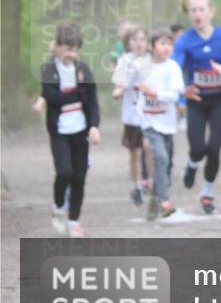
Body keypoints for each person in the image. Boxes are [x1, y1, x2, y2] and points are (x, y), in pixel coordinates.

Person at [172, 0, 221, 214]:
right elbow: (175, 68)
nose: (197, 14)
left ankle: (207, 193)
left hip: (219, 100)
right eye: (193, 10)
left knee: (214, 148)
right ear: (188, 14)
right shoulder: (184, 40)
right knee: (197, 148)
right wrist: (181, 93)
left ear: (211, 12)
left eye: (201, 9)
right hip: (196, 100)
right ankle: (192, 165)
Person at [42, 22, 101, 238]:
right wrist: (76, 94)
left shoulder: (83, 70)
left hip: (80, 130)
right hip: (59, 131)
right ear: (56, 46)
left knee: (79, 177)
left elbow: (91, 100)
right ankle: (58, 207)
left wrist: (94, 125)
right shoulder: (49, 69)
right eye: (67, 48)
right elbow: (51, 96)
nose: (71, 54)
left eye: (75, 49)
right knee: (64, 172)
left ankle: (74, 220)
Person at [137, 28, 185, 220]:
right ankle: (165, 202)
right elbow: (127, 84)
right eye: (162, 43)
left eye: (170, 44)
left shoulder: (173, 67)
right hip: (148, 122)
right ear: (151, 46)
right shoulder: (141, 66)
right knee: (161, 157)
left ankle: (154, 203)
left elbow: (174, 96)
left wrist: (153, 93)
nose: (167, 48)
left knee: (164, 163)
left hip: (167, 122)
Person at [111, 25, 153, 206]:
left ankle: (150, 181)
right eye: (134, 40)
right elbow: (119, 86)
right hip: (131, 115)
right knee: (134, 152)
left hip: (150, 114)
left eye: (142, 40)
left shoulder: (152, 60)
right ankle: (136, 185)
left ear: (148, 43)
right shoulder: (125, 61)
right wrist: (118, 91)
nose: (138, 43)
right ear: (128, 43)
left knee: (148, 146)